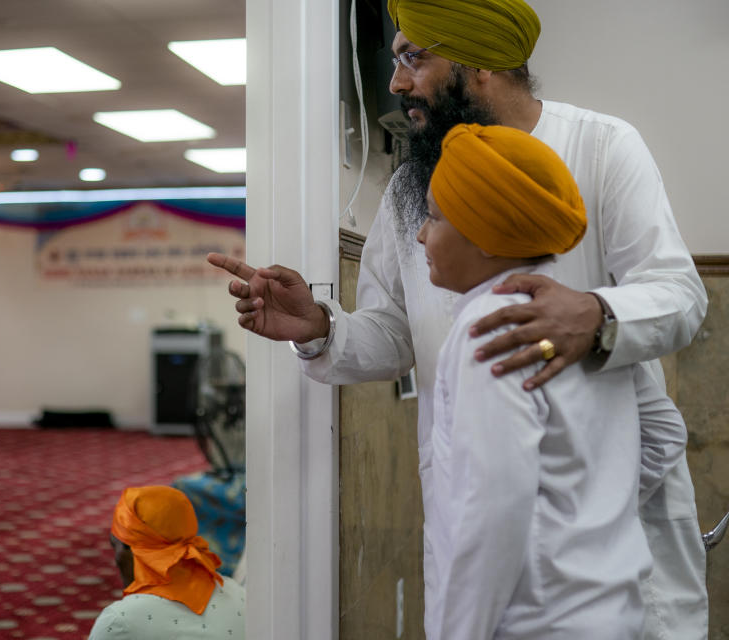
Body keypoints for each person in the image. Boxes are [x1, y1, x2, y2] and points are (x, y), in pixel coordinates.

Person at [207, 0, 708, 636]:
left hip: (612, 543)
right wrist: (321, 328)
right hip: (484, 533)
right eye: (394, 60)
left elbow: (680, 295)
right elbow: (396, 332)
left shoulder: (602, 145)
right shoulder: (413, 185)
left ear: (480, 67)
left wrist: (593, 315)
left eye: (414, 58)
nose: (396, 83)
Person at [419, 122, 651, 638]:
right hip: (613, 613)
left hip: (537, 623)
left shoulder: (494, 328)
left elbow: (493, 507)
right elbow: (662, 440)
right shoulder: (580, 320)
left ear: (485, 236)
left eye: (434, 217)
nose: (420, 233)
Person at [88, 485, 245, 640]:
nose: (116, 560)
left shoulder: (120, 621)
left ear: (129, 549)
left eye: (114, 545)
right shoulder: (241, 596)